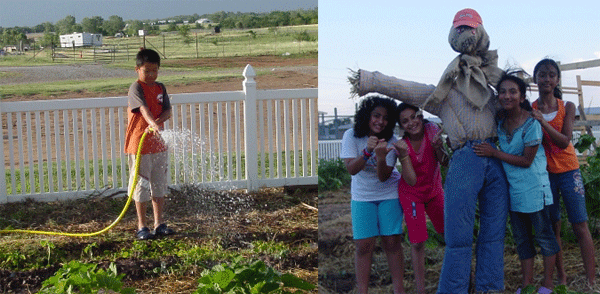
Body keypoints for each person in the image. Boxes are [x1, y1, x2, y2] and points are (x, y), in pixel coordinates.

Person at [349, 8, 509, 293]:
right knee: (458, 236)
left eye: (470, 29)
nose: (466, 35)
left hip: (494, 157)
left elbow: (514, 101)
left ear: (481, 33)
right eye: (460, 29)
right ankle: (453, 289)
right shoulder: (443, 95)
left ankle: (490, 287)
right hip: (466, 156)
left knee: (494, 232)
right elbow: (408, 90)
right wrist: (369, 81)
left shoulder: (494, 84)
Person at [473, 73, 559, 294]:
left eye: (513, 91)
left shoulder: (532, 123)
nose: (507, 96)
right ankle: (527, 283)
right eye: (502, 92)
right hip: (516, 192)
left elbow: (526, 161)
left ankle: (548, 283)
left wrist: (494, 153)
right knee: (522, 241)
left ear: (521, 97)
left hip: (535, 190)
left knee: (545, 238)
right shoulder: (500, 123)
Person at [530, 58, 596, 288]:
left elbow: (564, 141)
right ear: (534, 78)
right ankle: (561, 277)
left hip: (569, 171)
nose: (546, 79)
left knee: (580, 225)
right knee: (553, 226)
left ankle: (591, 281)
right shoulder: (530, 109)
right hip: (545, 175)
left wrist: (543, 123)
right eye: (541, 74)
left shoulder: (567, 106)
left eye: (551, 74)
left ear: (557, 79)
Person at [340, 95, 416, 294]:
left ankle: (399, 289)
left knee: (392, 241)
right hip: (362, 196)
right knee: (364, 245)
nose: (380, 121)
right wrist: (367, 151)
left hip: (389, 192)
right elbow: (351, 169)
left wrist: (381, 156)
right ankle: (362, 290)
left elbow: (383, 176)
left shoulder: (391, 140)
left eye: (385, 118)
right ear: (367, 115)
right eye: (376, 115)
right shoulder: (351, 136)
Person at [395, 103, 446, 294]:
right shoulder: (402, 145)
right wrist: (404, 156)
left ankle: (464, 277)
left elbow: (444, 161)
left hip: (434, 191)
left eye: (414, 117)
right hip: (412, 194)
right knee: (417, 242)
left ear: (421, 116)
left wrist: (439, 147)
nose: (411, 123)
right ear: (401, 126)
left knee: (448, 234)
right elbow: (411, 180)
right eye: (405, 121)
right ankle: (421, 289)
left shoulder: (432, 131)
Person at [125, 48, 175, 240]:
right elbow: (144, 110)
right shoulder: (136, 88)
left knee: (159, 185)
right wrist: (153, 124)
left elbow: (167, 111)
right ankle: (142, 226)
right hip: (140, 145)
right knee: (141, 186)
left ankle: (159, 223)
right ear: (137, 69)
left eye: (155, 70)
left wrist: (159, 122)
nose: (151, 74)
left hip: (159, 146)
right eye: (147, 70)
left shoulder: (160, 88)